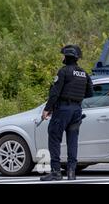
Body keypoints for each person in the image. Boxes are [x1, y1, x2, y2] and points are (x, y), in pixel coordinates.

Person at [40, 45, 93, 181]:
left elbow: (55, 93)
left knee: (54, 137)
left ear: (67, 57)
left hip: (63, 109)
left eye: (63, 55)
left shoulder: (63, 72)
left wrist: (47, 109)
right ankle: (71, 172)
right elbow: (90, 93)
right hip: (77, 110)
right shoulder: (84, 73)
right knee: (72, 140)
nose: (62, 57)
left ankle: (56, 171)